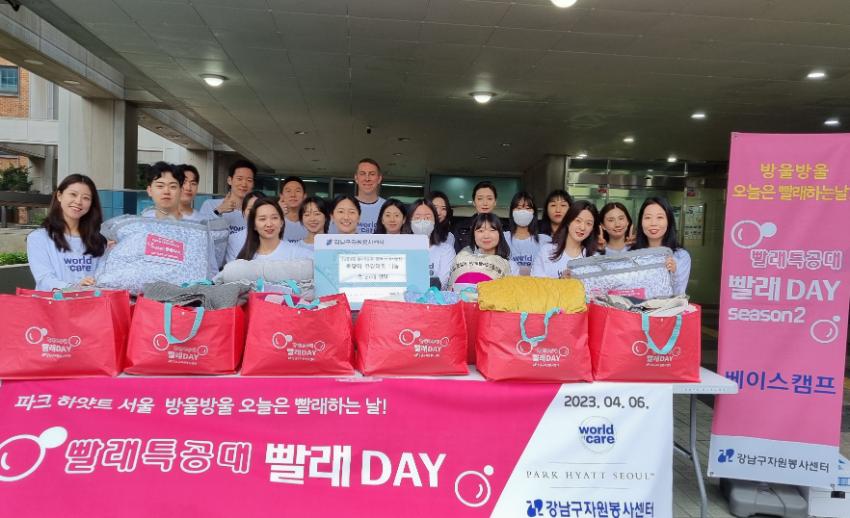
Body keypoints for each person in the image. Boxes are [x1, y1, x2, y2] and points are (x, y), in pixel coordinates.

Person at [27, 174, 107, 291]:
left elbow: (103, 278)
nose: (78, 201)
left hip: (90, 302)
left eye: (86, 198)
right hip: (52, 302)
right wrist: (75, 288)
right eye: (73, 194)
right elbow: (44, 279)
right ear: (59, 196)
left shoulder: (98, 241)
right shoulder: (39, 238)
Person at [631, 196, 691, 295]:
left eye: (660, 217)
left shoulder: (681, 256)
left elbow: (679, 294)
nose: (653, 223)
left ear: (669, 221)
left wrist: (674, 273)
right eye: (647, 217)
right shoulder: (631, 254)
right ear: (641, 222)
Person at [532, 200, 599, 279]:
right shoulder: (547, 251)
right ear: (568, 221)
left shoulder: (594, 258)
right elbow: (535, 283)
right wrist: (561, 281)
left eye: (588, 223)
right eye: (578, 221)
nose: (582, 227)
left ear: (592, 229)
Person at [448, 212, 512, 291]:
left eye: (492, 230)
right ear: (473, 234)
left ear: (500, 234)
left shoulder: (509, 265)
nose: (486, 236)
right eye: (481, 231)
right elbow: (450, 290)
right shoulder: (461, 258)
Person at [236, 198, 311, 261]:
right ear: (254, 225)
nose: (269, 224)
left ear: (281, 222)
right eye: (262, 219)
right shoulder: (244, 259)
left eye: (274, 218)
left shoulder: (298, 254)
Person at [403, 199, 455, 289]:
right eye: (417, 217)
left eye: (427, 217)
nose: (423, 221)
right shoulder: (400, 248)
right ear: (409, 221)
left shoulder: (447, 250)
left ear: (435, 221)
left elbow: (442, 283)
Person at [200, 159, 256, 236]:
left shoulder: (257, 210)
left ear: (253, 184)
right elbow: (200, 233)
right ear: (229, 180)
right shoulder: (210, 205)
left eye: (249, 180)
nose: (244, 184)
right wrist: (218, 211)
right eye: (239, 179)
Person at [504, 191, 551, 275]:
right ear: (512, 211)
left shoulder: (545, 240)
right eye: (519, 208)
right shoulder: (502, 238)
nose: (523, 211)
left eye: (528, 208)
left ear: (534, 212)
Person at [453, 180, 497, 253]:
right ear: (474, 202)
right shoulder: (461, 227)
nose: (485, 203)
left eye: (489, 198)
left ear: (495, 202)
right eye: (480, 198)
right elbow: (457, 255)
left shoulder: (504, 228)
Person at [225, 190, 264, 264]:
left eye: (259, 208)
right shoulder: (234, 238)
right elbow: (232, 267)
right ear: (243, 212)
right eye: (250, 209)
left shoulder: (274, 237)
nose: (254, 212)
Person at [353, 158, 384, 234]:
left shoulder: (388, 207)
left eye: (372, 174)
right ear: (356, 178)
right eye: (362, 174)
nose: (367, 179)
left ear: (379, 179)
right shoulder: (343, 207)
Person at [278, 176, 308, 243]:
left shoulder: (312, 222)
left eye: (297, 191)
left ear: (304, 196)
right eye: (288, 191)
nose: (293, 195)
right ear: (281, 196)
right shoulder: (274, 222)